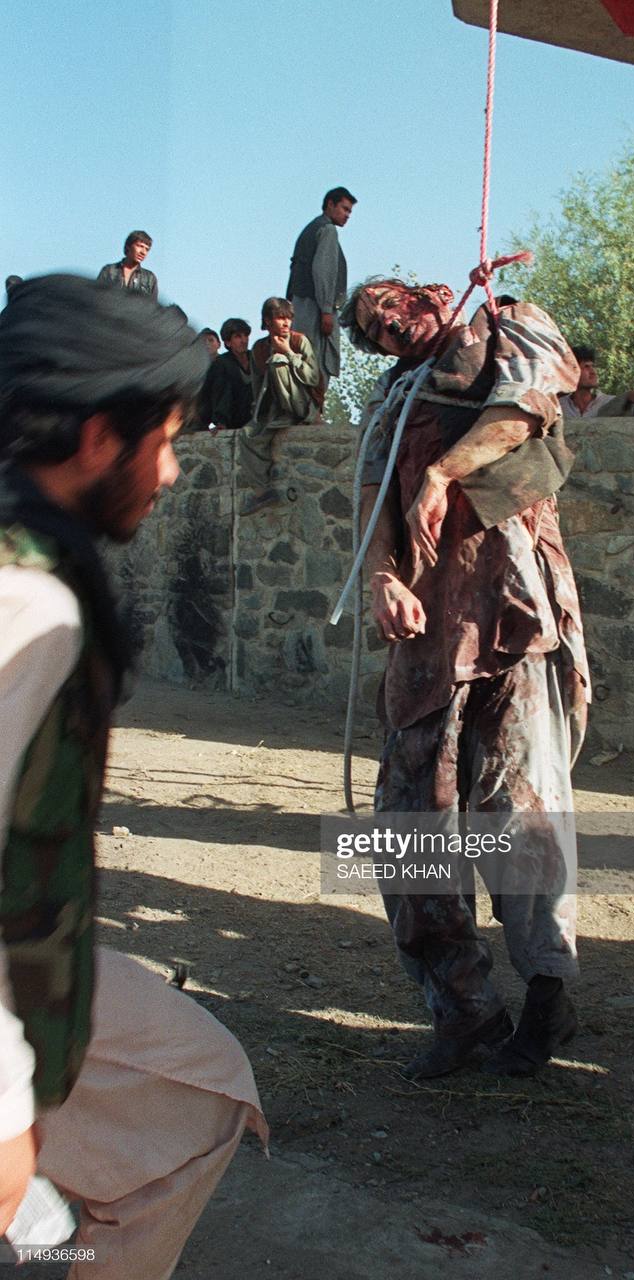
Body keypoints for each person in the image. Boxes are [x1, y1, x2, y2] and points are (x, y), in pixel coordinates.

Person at [0, 275, 267, 1277]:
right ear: (96, 439)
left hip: (35, 967)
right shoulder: (27, 602)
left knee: (197, 1090)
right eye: (163, 440)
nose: (170, 472)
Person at [342, 278, 590, 1080]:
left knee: (521, 814)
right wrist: (382, 578)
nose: (388, 324)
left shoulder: (506, 327)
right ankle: (463, 1009)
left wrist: (442, 474)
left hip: (511, 613)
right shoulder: (390, 400)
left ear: (432, 292)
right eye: (374, 328)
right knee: (409, 825)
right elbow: (372, 498)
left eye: (390, 303)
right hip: (426, 636)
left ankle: (548, 995)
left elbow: (523, 408)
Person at [238, 297, 321, 516]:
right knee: (247, 435)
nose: (286, 323)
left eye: (288, 318)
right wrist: (257, 415)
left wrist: (288, 354)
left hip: (301, 405)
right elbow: (257, 387)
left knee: (278, 362)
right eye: (280, 318)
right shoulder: (259, 348)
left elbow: (313, 378)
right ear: (268, 321)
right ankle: (262, 491)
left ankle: (290, 415)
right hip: (273, 411)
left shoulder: (299, 341)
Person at [286, 186, 357, 390]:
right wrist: (326, 310)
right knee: (315, 362)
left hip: (300, 306)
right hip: (314, 308)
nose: (347, 215)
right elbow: (323, 271)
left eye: (349, 211)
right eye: (344, 209)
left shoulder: (311, 228)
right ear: (330, 205)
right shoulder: (327, 230)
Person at [199, 317, 254, 432]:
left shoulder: (255, 357)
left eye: (245, 335)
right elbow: (216, 394)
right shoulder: (222, 363)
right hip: (233, 418)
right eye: (238, 337)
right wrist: (219, 421)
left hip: (254, 415)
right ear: (228, 342)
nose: (244, 340)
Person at [97, 230, 158, 299]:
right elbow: (97, 298)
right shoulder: (109, 271)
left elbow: (152, 304)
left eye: (147, 249)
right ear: (128, 246)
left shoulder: (149, 278)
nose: (143, 252)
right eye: (140, 246)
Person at [558, 344, 615, 418]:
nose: (593, 372)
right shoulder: (559, 406)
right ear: (572, 372)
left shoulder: (610, 403)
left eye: (593, 366)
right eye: (586, 366)